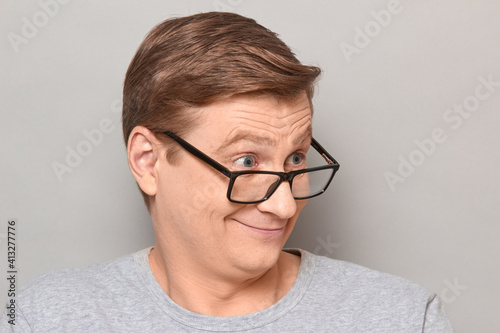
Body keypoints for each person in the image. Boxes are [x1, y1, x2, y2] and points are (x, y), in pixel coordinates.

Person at [2, 12, 454, 332]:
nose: (283, 205)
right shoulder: (44, 319)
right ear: (148, 161)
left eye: (296, 159)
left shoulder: (402, 318)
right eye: (246, 162)